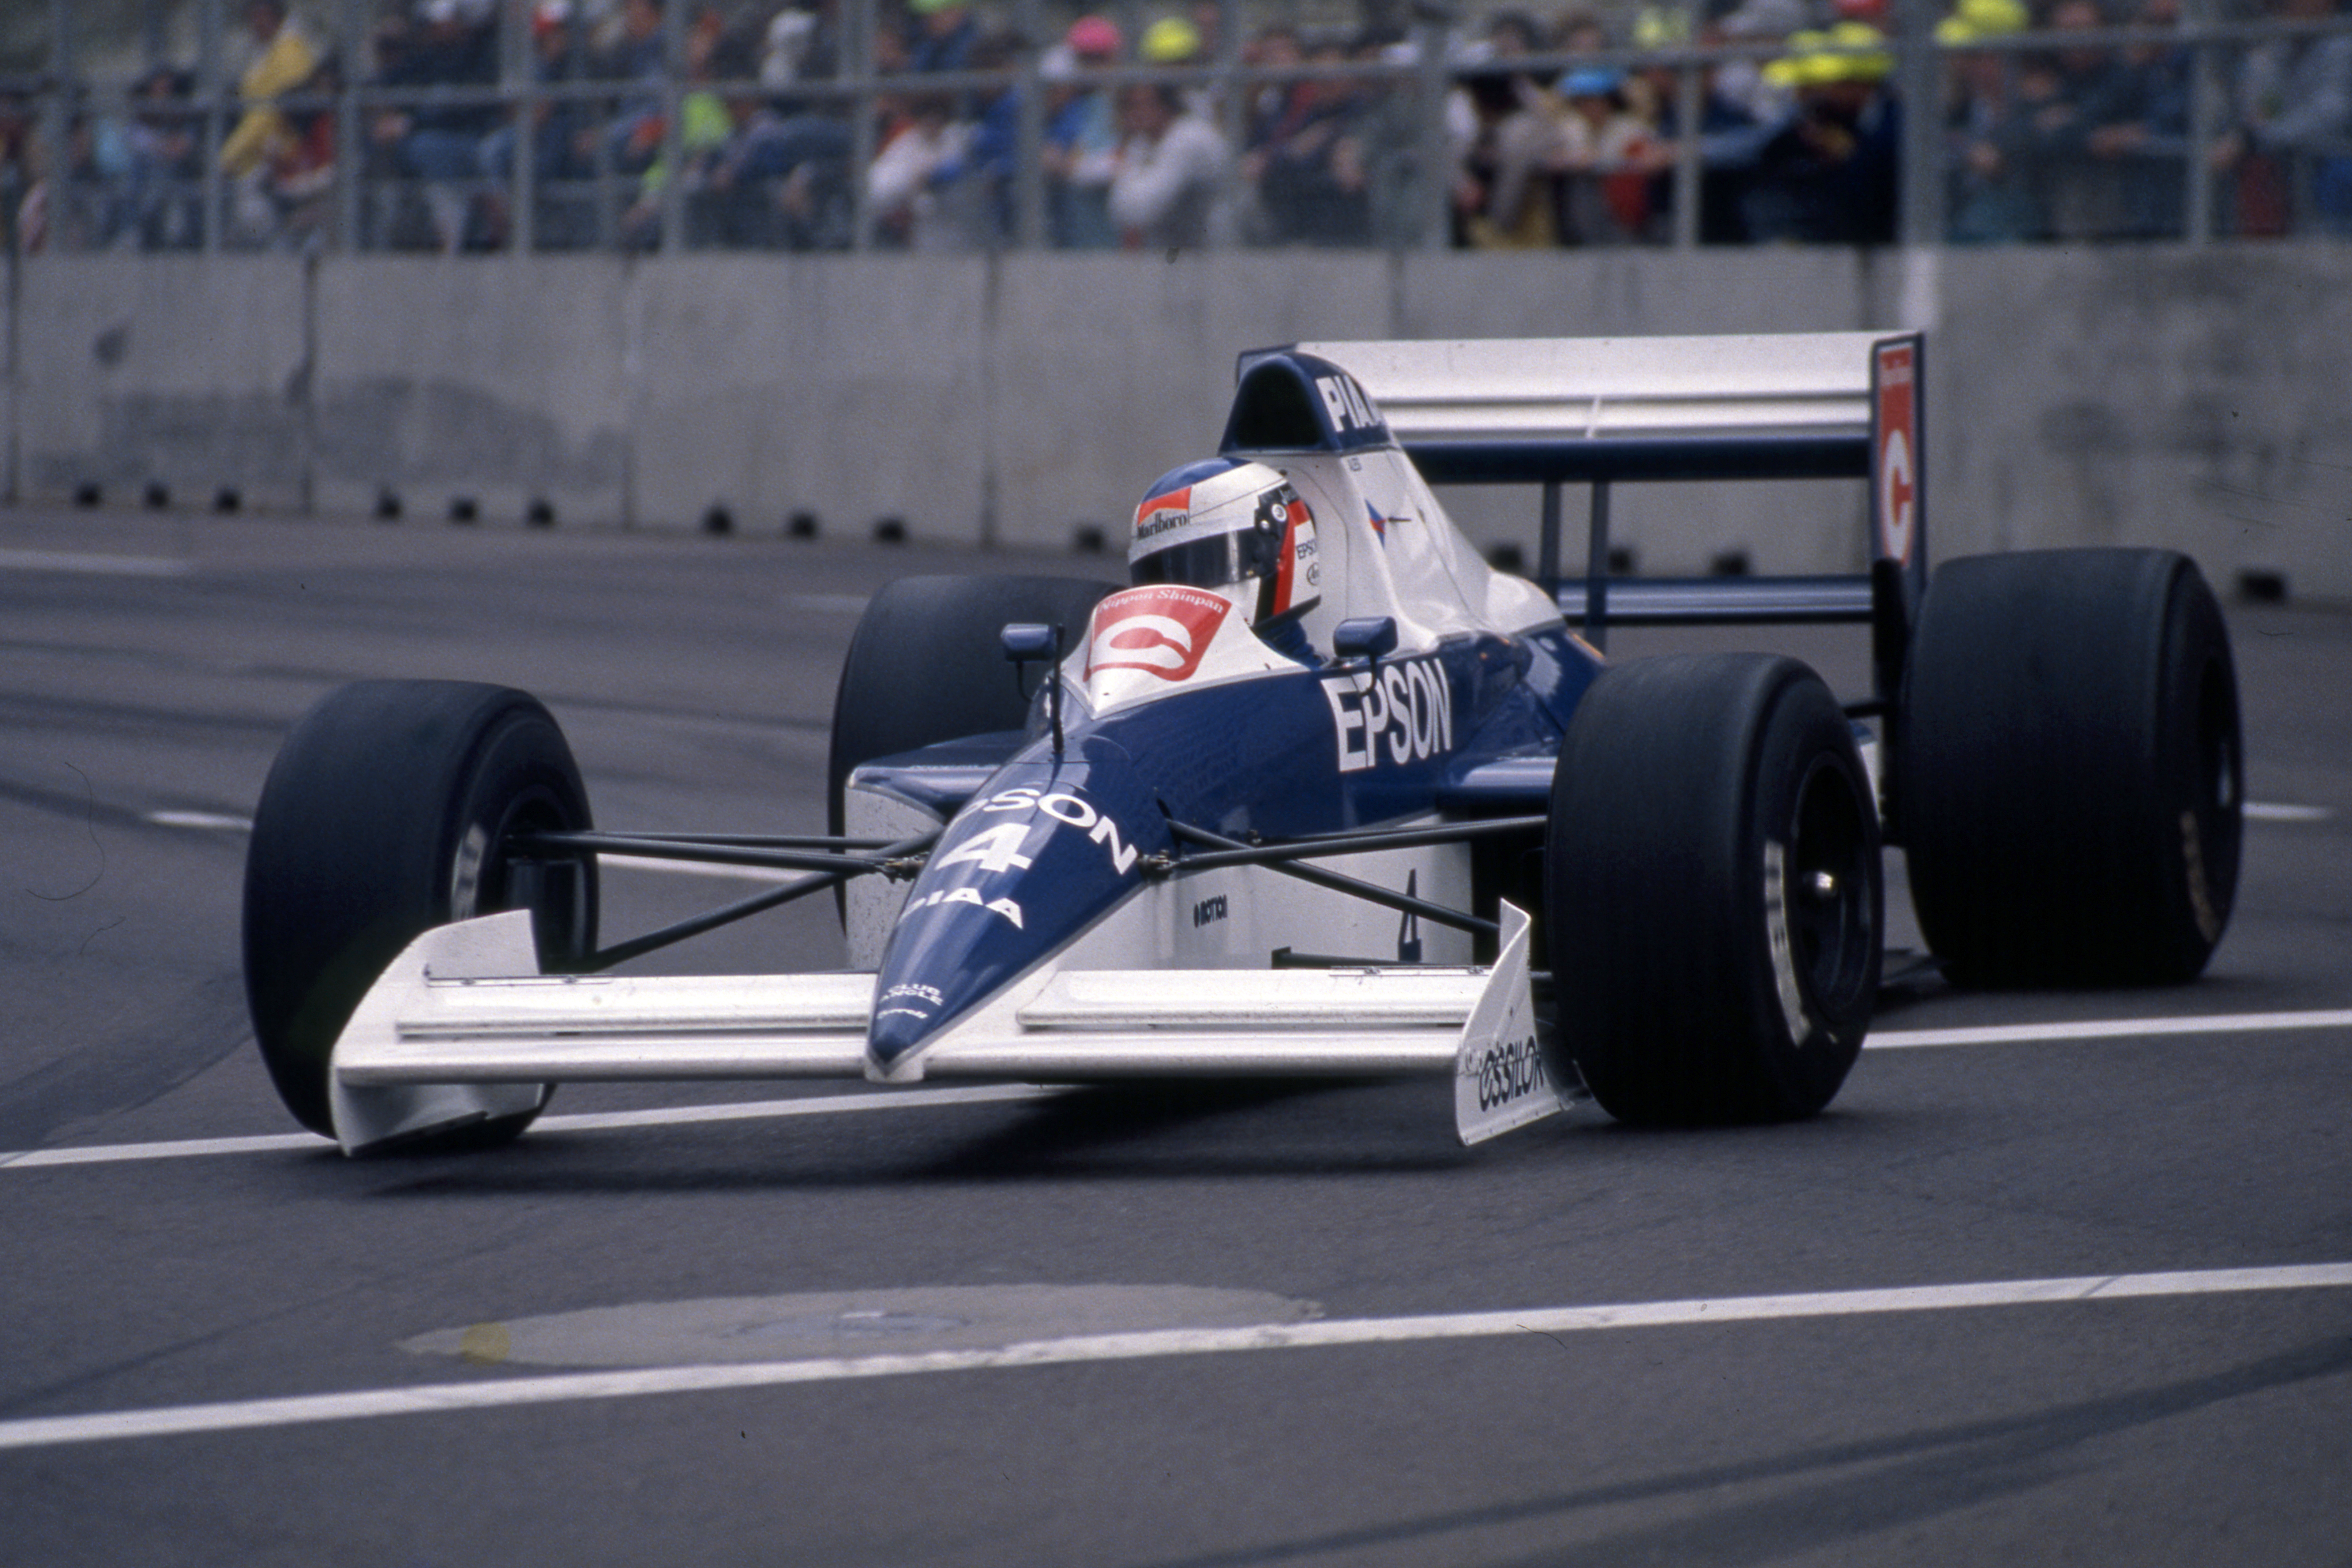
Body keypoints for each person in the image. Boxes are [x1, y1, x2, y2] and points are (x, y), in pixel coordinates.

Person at [1129, 458, 1323, 666]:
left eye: (1204, 565)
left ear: (1273, 551)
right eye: (1156, 575)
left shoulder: (1313, 689)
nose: (1177, 597)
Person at [219, 0, 320, 246]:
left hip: (276, 151)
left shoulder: (288, 54)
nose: (255, 24)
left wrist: (231, 154)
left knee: (253, 216)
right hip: (256, 150)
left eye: (260, 16)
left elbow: (268, 114)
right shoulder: (267, 51)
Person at [1109, 83, 1228, 250]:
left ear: (1166, 105)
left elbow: (1142, 211)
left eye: (1144, 104)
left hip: (1223, 247)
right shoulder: (1142, 143)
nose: (1136, 113)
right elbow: (1121, 210)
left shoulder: (1190, 136)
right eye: (1130, 106)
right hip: (1179, 247)